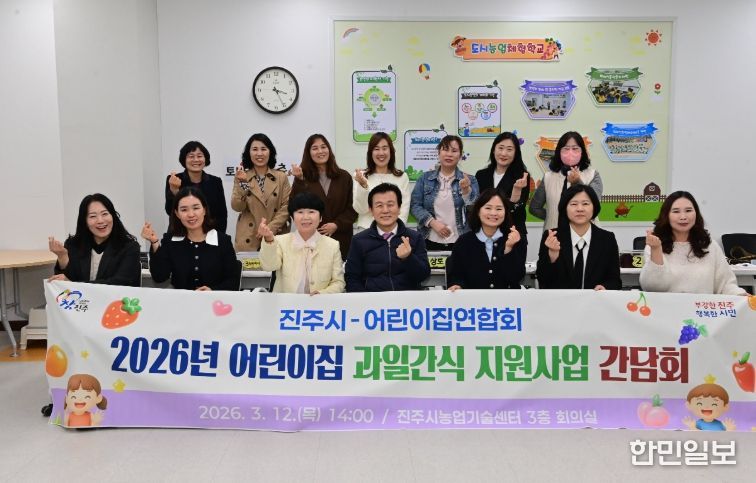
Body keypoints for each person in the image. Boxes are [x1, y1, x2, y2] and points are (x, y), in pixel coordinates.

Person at [639, 191, 747, 295]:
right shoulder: (655, 245)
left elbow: (725, 285)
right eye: (676, 211)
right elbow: (651, 287)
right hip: (666, 307)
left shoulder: (710, 245)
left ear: (696, 213)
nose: (683, 217)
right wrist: (656, 249)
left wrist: (740, 294)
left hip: (701, 307)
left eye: (688, 210)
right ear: (666, 216)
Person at [143, 187, 239, 291]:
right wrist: (154, 242)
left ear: (204, 210)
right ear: (177, 214)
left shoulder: (222, 241)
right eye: (184, 210)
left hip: (215, 300)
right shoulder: (171, 240)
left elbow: (233, 282)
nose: (191, 214)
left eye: (196, 208)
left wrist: (212, 290)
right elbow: (159, 277)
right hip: (181, 300)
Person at [345, 183, 430, 292]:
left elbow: (423, 276)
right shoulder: (359, 240)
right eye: (379, 205)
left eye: (390, 205)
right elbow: (352, 278)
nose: (385, 210)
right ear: (371, 210)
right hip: (373, 300)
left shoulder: (415, 237)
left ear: (399, 208)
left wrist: (408, 258)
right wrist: (366, 300)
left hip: (406, 300)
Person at [536, 185, 621, 290]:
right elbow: (542, 280)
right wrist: (552, 256)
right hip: (561, 300)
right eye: (573, 204)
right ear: (565, 208)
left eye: (585, 204)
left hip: (594, 299)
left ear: (594, 207)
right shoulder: (552, 236)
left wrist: (605, 287)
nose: (580, 209)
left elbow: (615, 280)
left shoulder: (607, 239)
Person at [258, 192, 345, 294]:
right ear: (292, 217)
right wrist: (269, 239)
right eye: (300, 212)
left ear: (320, 217)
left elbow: (338, 282)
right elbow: (269, 266)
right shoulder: (280, 241)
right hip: (286, 302)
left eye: (311, 212)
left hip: (319, 302)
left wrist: (322, 294)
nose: (305, 217)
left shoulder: (332, 245)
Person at [48, 193, 140, 286]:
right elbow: (63, 284)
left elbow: (121, 282)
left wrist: (74, 284)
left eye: (105, 214)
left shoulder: (129, 247)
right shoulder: (73, 244)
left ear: (113, 216)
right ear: (84, 221)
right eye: (93, 216)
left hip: (115, 296)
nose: (100, 220)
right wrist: (62, 256)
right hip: (80, 296)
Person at [290, 134, 357, 259]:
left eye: (323, 147)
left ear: (329, 150)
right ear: (308, 153)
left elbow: (352, 207)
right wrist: (299, 180)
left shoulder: (344, 177)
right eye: (315, 148)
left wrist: (336, 224)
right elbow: (294, 206)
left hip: (341, 237)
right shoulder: (303, 177)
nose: (320, 151)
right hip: (312, 239)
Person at [446, 189, 526, 290]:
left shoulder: (515, 238)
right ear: (478, 211)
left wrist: (509, 249)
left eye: (499, 209)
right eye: (488, 208)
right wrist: (457, 285)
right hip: (473, 299)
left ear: (506, 212)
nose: (493, 213)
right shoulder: (463, 241)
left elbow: (517, 277)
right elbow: (456, 275)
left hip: (507, 299)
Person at [410, 135, 479, 251]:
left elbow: (475, 210)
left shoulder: (470, 180)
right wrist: (431, 222)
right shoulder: (425, 178)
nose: (449, 154)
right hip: (429, 238)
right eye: (445, 149)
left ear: (460, 155)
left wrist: (466, 191)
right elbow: (415, 205)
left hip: (461, 239)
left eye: (454, 151)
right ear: (439, 152)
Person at [529, 131, 603, 231]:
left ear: (582, 152)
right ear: (559, 152)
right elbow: (534, 208)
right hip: (554, 235)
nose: (570, 152)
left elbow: (594, 205)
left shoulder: (593, 175)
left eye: (575, 148)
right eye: (566, 149)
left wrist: (577, 183)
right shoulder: (548, 177)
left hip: (586, 234)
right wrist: (555, 217)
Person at [231, 133, 291, 251]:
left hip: (276, 234)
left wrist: (270, 228)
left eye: (263, 149)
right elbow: (237, 207)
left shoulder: (281, 177)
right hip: (249, 236)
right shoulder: (242, 176)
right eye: (255, 149)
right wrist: (243, 184)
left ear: (270, 152)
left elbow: (287, 206)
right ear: (249, 153)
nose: (259, 153)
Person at [475, 132, 530, 238]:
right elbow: (477, 205)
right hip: (485, 233)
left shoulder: (522, 176)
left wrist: (516, 191)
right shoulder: (481, 175)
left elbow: (518, 211)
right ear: (493, 150)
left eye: (509, 149)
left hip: (512, 233)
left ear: (516, 153)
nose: (504, 153)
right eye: (500, 148)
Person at [164, 141, 227, 233]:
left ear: (205, 159)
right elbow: (170, 211)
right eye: (191, 156)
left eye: (199, 156)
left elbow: (222, 214)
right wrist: (174, 190)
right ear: (184, 159)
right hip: (181, 233)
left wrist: (220, 236)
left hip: (209, 233)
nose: (196, 160)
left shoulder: (215, 181)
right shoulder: (174, 179)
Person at [352, 132, 410, 229]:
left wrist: (395, 231)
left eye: (384, 148)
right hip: (366, 231)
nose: (381, 153)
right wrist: (363, 186)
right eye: (376, 149)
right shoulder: (361, 176)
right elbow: (360, 209)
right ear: (371, 153)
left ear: (391, 151)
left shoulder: (402, 177)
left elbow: (403, 210)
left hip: (394, 232)